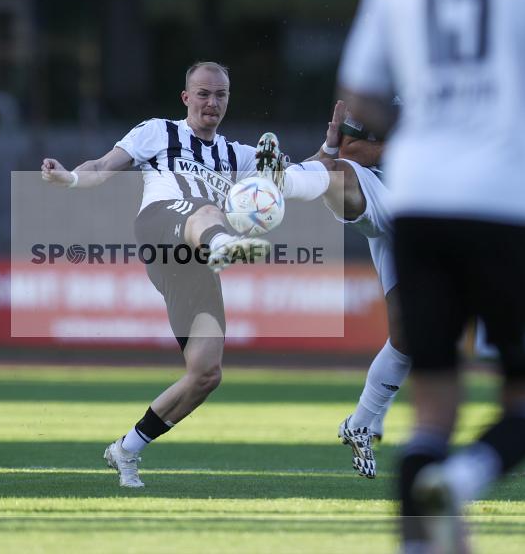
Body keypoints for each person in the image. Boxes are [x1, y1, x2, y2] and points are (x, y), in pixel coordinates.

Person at [337, 0, 525, 550]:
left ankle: (422, 535)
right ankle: (459, 480)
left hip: (421, 203)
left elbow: (358, 92)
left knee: (431, 413)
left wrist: (422, 128)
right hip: (510, 200)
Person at [41, 62, 332, 488]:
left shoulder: (240, 156)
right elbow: (103, 166)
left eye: (220, 95)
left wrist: (330, 147)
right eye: (203, 93)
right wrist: (68, 178)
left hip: (193, 263)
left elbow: (297, 177)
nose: (211, 102)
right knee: (208, 211)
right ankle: (222, 245)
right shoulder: (158, 132)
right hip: (162, 228)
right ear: (185, 97)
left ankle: (126, 449)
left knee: (206, 374)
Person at [309, 101, 525, 481]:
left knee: (407, 335)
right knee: (341, 174)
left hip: (447, 203)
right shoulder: (387, 85)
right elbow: (350, 150)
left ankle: (361, 424)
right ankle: (279, 182)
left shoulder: (478, 91)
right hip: (389, 192)